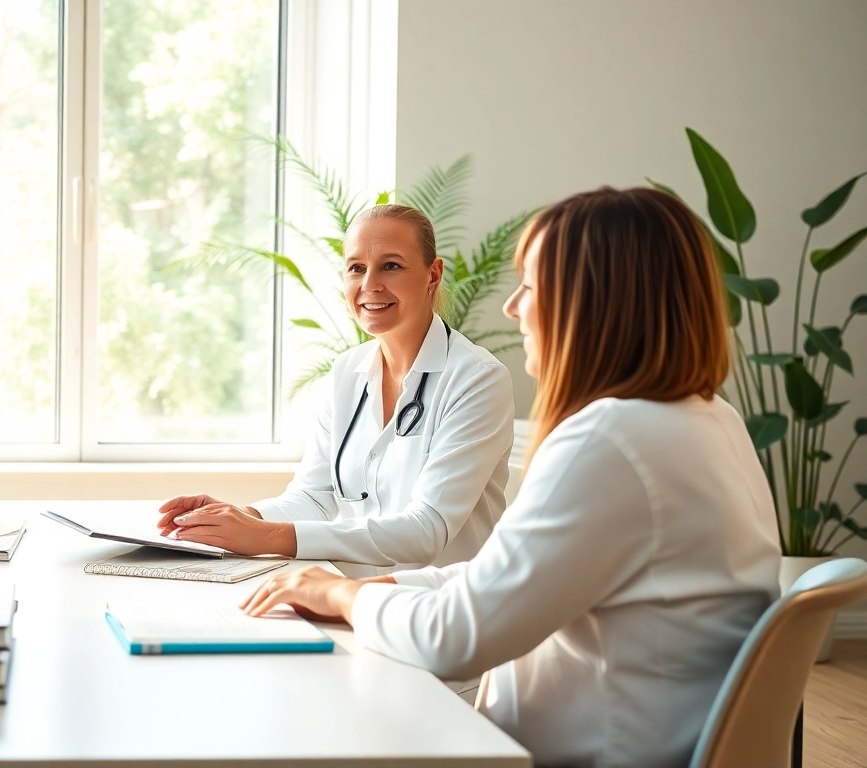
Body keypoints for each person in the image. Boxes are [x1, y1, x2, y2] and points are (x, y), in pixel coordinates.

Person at [239, 187, 783, 766]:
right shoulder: (709, 420)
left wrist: (343, 594)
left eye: (531, 285)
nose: (512, 307)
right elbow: (507, 576)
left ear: (595, 300)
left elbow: (456, 637)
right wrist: (380, 588)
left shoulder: (609, 441)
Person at [158, 204, 515, 571]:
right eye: (356, 268)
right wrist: (238, 518)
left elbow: (427, 530)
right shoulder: (347, 372)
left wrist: (264, 536)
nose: (370, 285)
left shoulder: (477, 379)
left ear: (433, 274)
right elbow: (315, 497)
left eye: (391, 266)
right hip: (349, 593)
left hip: (440, 601)